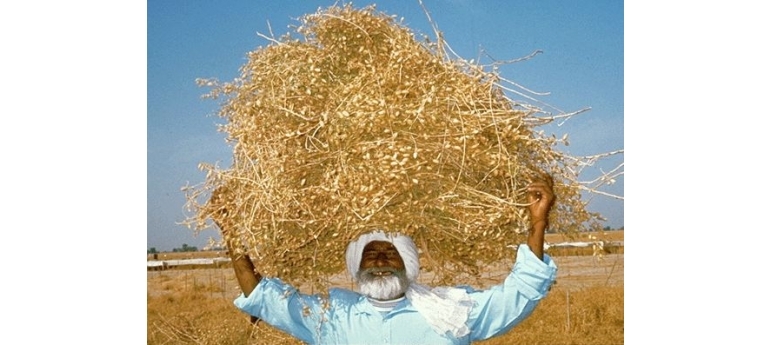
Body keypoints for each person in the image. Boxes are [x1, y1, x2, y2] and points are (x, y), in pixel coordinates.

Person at [216, 176, 557, 344]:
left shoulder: (449, 311)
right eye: (371, 255)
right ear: (357, 268)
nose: (379, 261)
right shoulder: (333, 318)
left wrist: (538, 223)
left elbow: (518, 295)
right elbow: (264, 298)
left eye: (389, 253)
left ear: (407, 264)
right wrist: (230, 230)